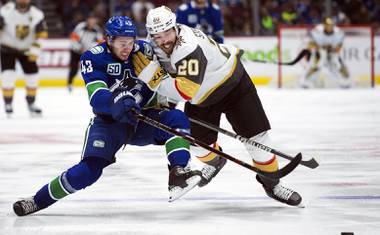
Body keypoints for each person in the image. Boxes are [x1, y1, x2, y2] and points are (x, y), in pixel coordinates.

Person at [12, 16, 203, 216]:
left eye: (130, 42)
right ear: (109, 39)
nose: (127, 48)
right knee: (87, 172)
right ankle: (37, 200)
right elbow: (96, 96)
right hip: (109, 124)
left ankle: (178, 174)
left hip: (142, 119)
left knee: (177, 120)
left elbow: (170, 65)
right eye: (122, 43)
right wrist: (119, 100)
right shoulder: (93, 57)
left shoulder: (145, 50)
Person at [132, 6, 302, 206]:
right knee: (196, 144)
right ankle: (216, 161)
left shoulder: (188, 47)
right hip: (203, 97)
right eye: (157, 36)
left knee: (257, 141)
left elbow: (185, 91)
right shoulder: (152, 47)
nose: (164, 40)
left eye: (167, 33)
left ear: (175, 27)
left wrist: (154, 78)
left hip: (233, 84)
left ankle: (272, 184)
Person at [0, 0, 48, 116]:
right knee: (8, 76)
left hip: (27, 50)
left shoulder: (37, 14)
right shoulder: (6, 11)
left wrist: (35, 50)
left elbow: (42, 34)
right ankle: (8, 103)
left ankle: (31, 103)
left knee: (33, 77)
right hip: (7, 48)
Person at [301, 17, 350, 88]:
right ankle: (306, 81)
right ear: (324, 25)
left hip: (333, 52)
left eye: (330, 25)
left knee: (336, 63)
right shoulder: (317, 31)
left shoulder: (338, 33)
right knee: (317, 64)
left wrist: (331, 50)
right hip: (320, 51)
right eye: (327, 25)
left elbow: (338, 48)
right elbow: (310, 44)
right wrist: (320, 48)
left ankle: (345, 80)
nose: (329, 27)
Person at [67, 13, 103, 92]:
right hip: (76, 51)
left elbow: (100, 43)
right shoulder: (80, 27)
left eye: (93, 20)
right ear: (87, 20)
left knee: (90, 69)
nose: (92, 22)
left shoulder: (97, 30)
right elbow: (73, 38)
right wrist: (79, 48)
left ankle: (91, 84)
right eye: (90, 20)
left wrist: (91, 49)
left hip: (87, 52)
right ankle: (69, 83)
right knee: (74, 69)